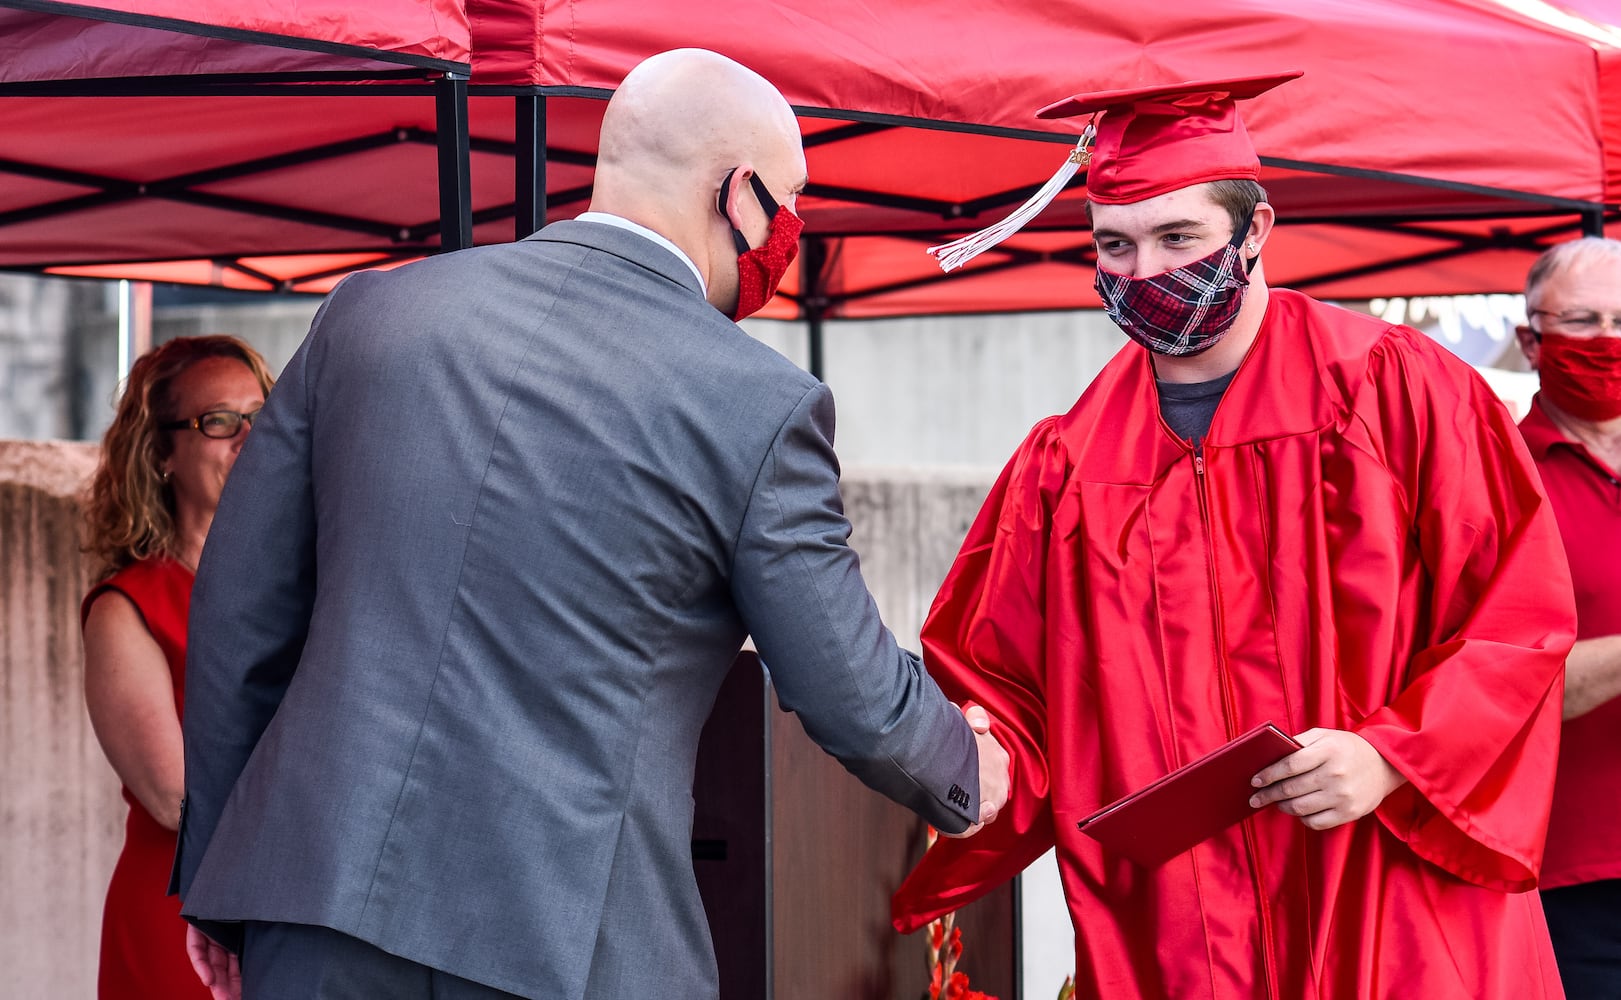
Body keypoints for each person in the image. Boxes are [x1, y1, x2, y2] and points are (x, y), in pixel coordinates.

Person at [173, 47, 1009, 1000]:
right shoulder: (754, 400)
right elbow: (842, 683)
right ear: (741, 197)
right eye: (790, 200)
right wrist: (962, 768)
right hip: (566, 937)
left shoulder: (371, 310)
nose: (791, 232)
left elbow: (241, 614)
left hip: (310, 901)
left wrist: (219, 879)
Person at [890, 73, 1576, 998]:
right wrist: (977, 753)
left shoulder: (1395, 387)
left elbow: (1514, 621)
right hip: (1178, 919)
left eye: (1179, 238)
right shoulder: (1065, 465)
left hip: (1387, 883)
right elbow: (996, 680)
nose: (1145, 272)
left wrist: (1391, 755)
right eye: (1115, 246)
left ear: (1252, 233)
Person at [79, 335, 273, 1000]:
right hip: (185, 920)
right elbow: (176, 801)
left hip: (292, 916)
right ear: (161, 453)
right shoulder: (126, 606)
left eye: (261, 417)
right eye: (220, 421)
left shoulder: (305, 586)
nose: (248, 437)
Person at [1513, 237, 1621, 996]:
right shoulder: (1502, 481)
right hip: (1572, 873)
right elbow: (1504, 692)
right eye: (1582, 321)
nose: (1607, 341)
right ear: (1530, 341)